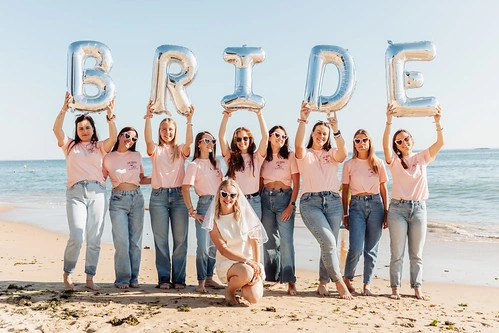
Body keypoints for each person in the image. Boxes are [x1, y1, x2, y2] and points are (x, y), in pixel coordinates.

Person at [53, 92, 117, 291]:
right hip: (75, 193)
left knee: (95, 238)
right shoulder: (70, 145)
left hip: (97, 192)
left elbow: (114, 137)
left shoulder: (99, 147)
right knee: (77, 236)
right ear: (77, 130)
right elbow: (56, 129)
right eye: (80, 128)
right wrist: (64, 109)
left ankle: (90, 277)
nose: (84, 130)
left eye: (87, 127)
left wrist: (110, 116)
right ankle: (68, 274)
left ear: (92, 129)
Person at [383, 104, 444, 300]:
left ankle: (417, 288)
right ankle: (395, 289)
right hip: (397, 210)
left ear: (412, 140)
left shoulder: (422, 158)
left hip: (419, 209)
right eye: (399, 141)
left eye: (406, 139)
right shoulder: (393, 161)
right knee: (397, 252)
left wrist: (437, 121)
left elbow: (440, 143)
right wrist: (389, 120)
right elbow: (384, 145)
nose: (403, 142)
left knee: (416, 253)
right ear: (396, 145)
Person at [294, 101, 353, 300]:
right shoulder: (304, 154)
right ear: (312, 133)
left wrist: (336, 130)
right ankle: (339, 284)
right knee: (328, 241)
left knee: (328, 244)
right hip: (310, 203)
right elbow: (297, 145)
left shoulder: (331, 154)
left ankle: (322, 283)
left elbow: (344, 152)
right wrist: (303, 119)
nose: (321, 136)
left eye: (324, 134)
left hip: (334, 202)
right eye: (318, 132)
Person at [144, 100, 194, 289]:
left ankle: (179, 279)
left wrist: (189, 120)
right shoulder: (156, 150)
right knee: (161, 240)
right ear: (160, 131)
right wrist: (148, 117)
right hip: (158, 198)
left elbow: (189, 142)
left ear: (175, 131)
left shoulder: (180, 150)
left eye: (170, 129)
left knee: (180, 240)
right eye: (164, 129)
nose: (167, 132)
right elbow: (148, 140)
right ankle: (164, 278)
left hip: (179, 198)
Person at [202, 179, 268, 306]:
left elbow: (254, 242)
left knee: (253, 298)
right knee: (246, 272)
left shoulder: (245, 214)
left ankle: (244, 285)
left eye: (232, 195)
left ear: (237, 196)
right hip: (229, 262)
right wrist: (247, 262)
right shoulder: (213, 220)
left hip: (250, 262)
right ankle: (230, 291)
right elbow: (223, 250)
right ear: (218, 195)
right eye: (224, 194)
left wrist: (256, 264)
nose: (228, 198)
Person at [341, 129, 389, 296]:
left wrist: (387, 212)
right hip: (356, 206)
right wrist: (345, 214)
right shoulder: (349, 164)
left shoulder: (378, 163)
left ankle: (367, 284)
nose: (361, 143)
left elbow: (383, 188)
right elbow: (345, 190)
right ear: (354, 143)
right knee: (355, 247)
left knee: (371, 249)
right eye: (357, 140)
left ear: (369, 142)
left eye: (364, 140)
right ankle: (347, 278)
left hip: (376, 205)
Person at [103, 127, 151, 289]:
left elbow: (142, 178)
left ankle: (133, 278)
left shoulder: (136, 156)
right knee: (122, 241)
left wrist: (162, 177)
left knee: (135, 242)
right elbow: (100, 178)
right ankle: (122, 279)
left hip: (137, 199)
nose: (130, 140)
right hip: (117, 201)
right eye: (127, 135)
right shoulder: (108, 157)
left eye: (134, 138)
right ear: (119, 136)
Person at [182, 131, 225, 292]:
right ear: (199, 143)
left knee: (214, 245)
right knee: (202, 246)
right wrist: (192, 211)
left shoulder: (217, 163)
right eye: (207, 140)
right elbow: (186, 188)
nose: (210, 143)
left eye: (213, 141)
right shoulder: (194, 165)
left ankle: (209, 278)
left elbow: (222, 185)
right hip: (204, 204)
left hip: (219, 205)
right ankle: (200, 281)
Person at [260, 125, 300, 295]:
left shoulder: (290, 157)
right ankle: (273, 279)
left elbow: (297, 183)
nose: (281, 139)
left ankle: (290, 280)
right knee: (269, 240)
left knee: (286, 241)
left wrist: (291, 205)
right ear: (269, 137)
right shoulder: (263, 157)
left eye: (284, 137)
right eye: (277, 135)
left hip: (284, 199)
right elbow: (259, 181)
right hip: (265, 199)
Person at [218, 109, 268, 218]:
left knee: (253, 235)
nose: (242, 142)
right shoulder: (231, 158)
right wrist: (226, 116)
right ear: (235, 142)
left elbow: (265, 137)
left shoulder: (256, 157)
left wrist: (259, 114)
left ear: (250, 140)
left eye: (245, 138)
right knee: (238, 234)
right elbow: (221, 137)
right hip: (236, 201)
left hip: (254, 201)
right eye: (238, 139)